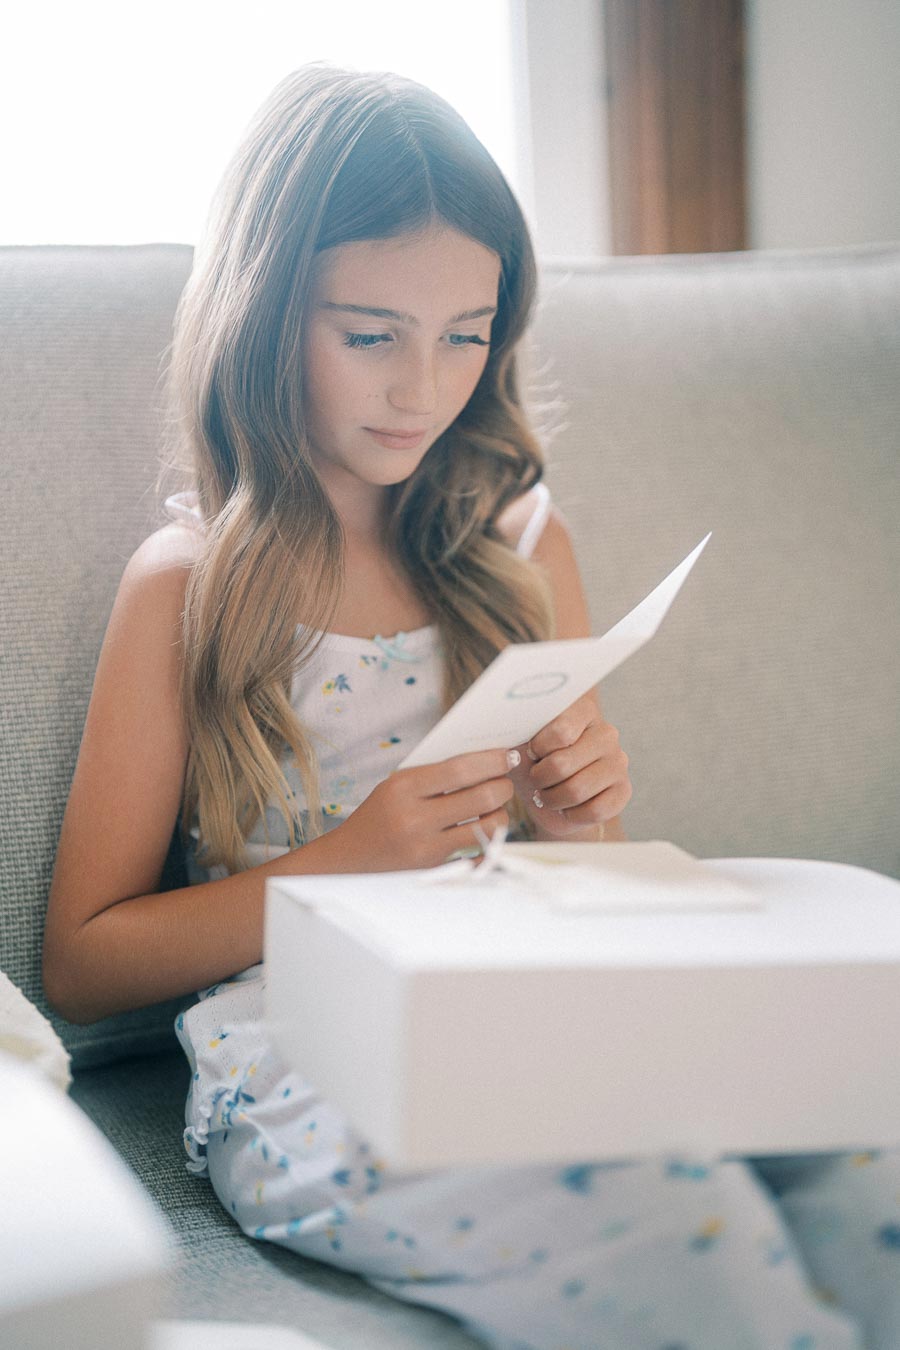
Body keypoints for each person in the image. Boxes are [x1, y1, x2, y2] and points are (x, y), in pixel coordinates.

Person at [43, 65, 896, 1350]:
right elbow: (82, 958)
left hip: (533, 1002)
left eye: (467, 332)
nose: (422, 388)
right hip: (308, 1057)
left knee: (861, 1171)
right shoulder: (190, 589)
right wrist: (347, 863)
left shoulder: (517, 548)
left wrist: (581, 816)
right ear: (267, 319)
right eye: (370, 333)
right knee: (681, 1228)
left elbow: (574, 880)